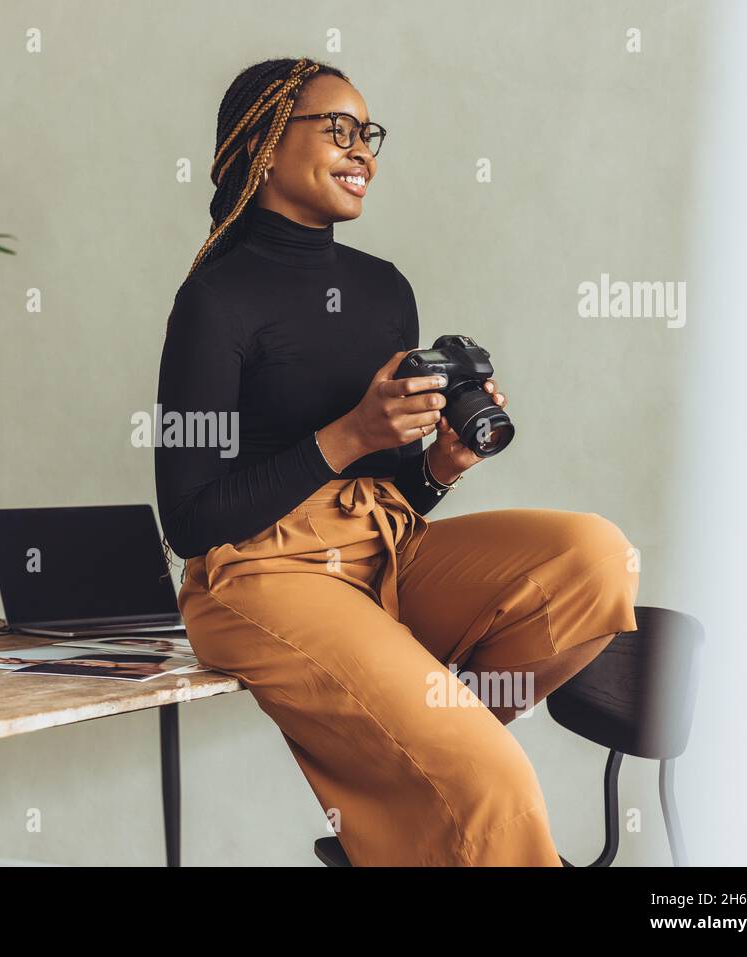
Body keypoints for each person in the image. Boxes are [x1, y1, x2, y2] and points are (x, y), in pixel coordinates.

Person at [153, 57, 640, 866]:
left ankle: (421, 783)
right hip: (262, 574)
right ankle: (442, 785)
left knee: (595, 557)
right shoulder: (215, 300)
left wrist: (440, 465)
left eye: (368, 135)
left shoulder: (384, 290)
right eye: (337, 130)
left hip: (385, 554)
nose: (363, 153)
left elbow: (391, 489)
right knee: (493, 782)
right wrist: (347, 434)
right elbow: (190, 519)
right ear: (268, 146)